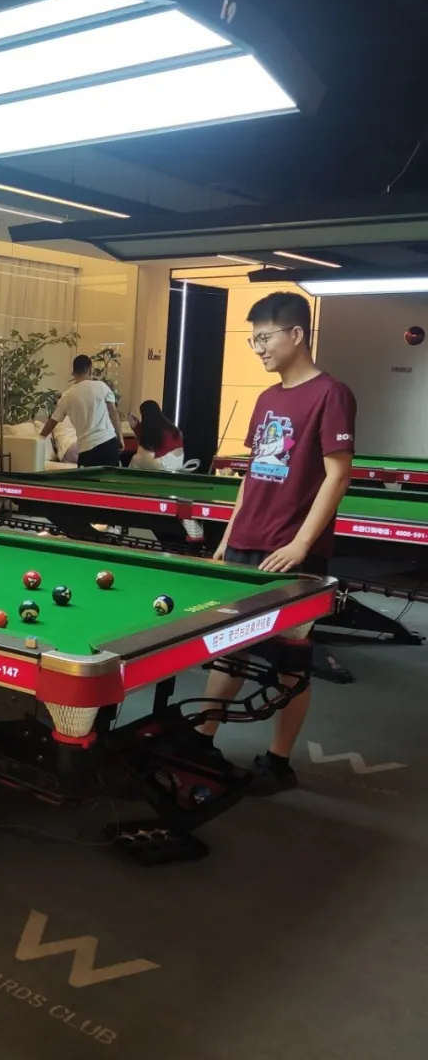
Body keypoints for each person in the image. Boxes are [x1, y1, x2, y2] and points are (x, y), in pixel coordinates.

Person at [194, 290, 355, 793]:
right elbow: (252, 475)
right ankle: (201, 742)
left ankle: (279, 761)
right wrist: (228, 534)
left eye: (264, 338)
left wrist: (302, 546)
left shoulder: (331, 394)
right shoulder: (267, 398)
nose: (258, 348)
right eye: (254, 340)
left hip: (290, 554)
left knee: (290, 661)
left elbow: (338, 475)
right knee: (229, 650)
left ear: (296, 334)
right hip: (246, 543)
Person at [40, 354, 123, 466]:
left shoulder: (67, 396)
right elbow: (114, 412)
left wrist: (39, 438)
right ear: (90, 370)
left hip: (86, 450)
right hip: (108, 443)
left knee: (85, 478)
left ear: (73, 373)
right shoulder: (102, 386)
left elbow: (52, 422)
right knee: (110, 477)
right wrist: (120, 438)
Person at [130, 400, 184, 470]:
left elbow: (146, 442)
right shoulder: (170, 426)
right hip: (178, 463)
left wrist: (135, 426)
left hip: (164, 464)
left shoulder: (155, 429)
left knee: (135, 458)